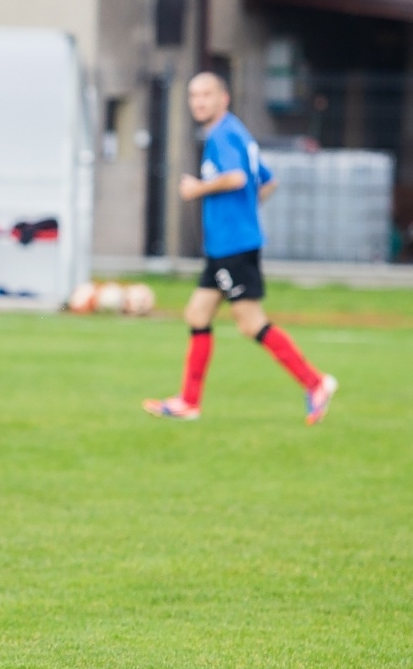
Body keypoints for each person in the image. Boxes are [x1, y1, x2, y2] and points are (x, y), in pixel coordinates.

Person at [144, 73, 336, 424]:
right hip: (224, 246)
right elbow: (268, 181)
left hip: (233, 247)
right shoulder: (236, 132)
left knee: (251, 324)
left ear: (224, 98)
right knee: (197, 315)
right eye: (193, 96)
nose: (199, 102)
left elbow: (238, 178)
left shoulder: (222, 135)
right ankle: (189, 401)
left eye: (206, 95)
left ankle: (316, 382)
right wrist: (244, 212)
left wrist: (198, 189)